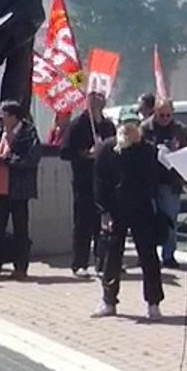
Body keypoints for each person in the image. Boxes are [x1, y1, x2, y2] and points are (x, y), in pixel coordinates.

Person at [92, 108, 164, 319]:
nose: (130, 129)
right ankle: (108, 300)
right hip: (116, 209)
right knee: (112, 256)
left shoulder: (147, 149)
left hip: (142, 209)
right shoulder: (108, 149)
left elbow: (155, 179)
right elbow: (99, 182)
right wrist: (103, 211)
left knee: (149, 257)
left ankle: (153, 302)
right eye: (126, 125)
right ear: (119, 126)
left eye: (134, 125)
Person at [0, 101, 42, 279]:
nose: (0, 118)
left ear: (14, 117)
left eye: (4, 115)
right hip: (0, 188)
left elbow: (32, 158)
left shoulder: (28, 133)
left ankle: (20, 267)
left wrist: (8, 161)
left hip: (18, 190)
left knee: (20, 229)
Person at [60, 91, 116, 277]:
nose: (97, 103)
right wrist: (85, 154)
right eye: (94, 100)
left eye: (100, 100)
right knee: (83, 223)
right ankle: (80, 263)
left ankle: (103, 262)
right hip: (84, 181)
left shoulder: (108, 126)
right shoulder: (77, 125)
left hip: (104, 181)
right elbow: (65, 152)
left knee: (103, 224)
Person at [141, 98, 187, 268]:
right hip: (149, 182)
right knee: (148, 221)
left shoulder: (180, 130)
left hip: (171, 183)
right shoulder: (145, 129)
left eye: (168, 115)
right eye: (161, 115)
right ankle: (149, 255)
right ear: (154, 112)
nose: (165, 118)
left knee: (170, 220)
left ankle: (169, 255)